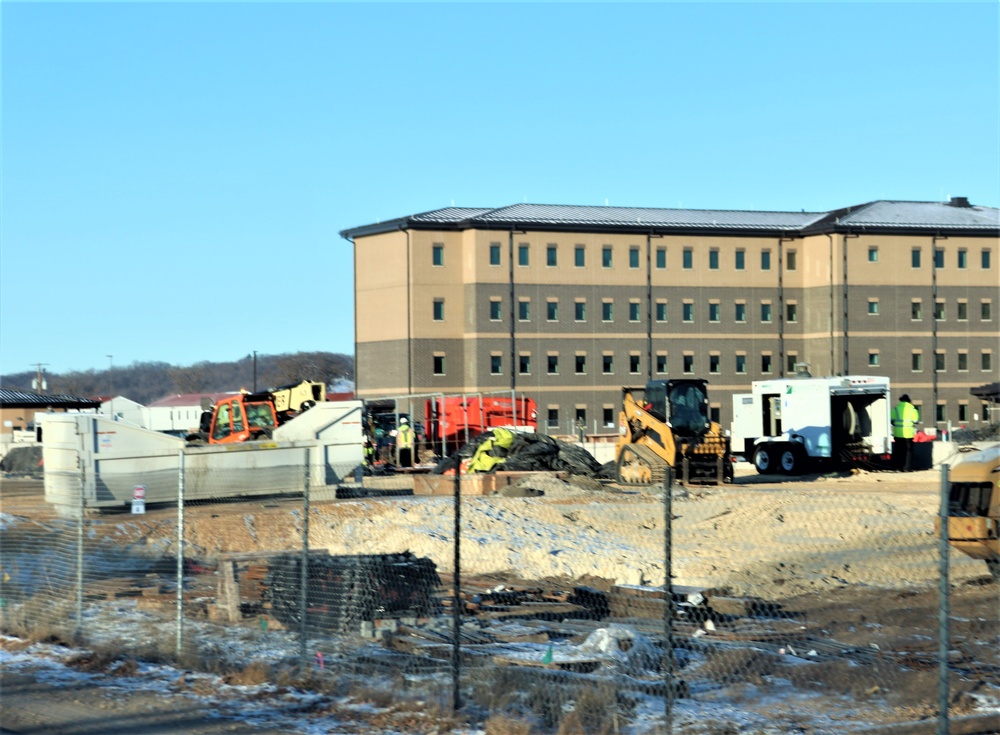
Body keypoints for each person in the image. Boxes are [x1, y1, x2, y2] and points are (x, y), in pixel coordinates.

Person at [891, 394, 920, 472]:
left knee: (898, 451)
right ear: (908, 401)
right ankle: (907, 468)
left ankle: (897, 467)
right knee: (908, 451)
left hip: (897, 434)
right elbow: (916, 421)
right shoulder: (913, 410)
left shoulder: (896, 409)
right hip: (908, 434)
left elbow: (891, 421)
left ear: (901, 400)